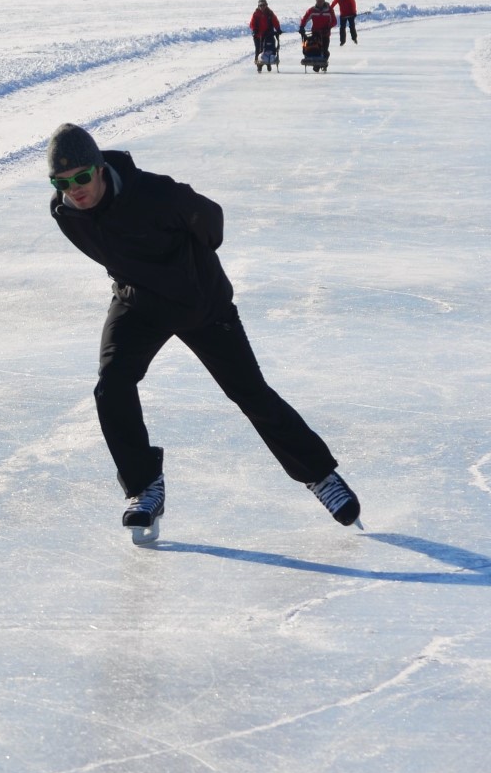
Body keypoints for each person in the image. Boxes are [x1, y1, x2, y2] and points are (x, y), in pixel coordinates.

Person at [46, 124, 360, 545]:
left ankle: (320, 476)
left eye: (82, 177)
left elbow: (212, 223)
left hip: (201, 304)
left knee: (251, 393)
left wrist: (188, 273)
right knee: (112, 385)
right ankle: (144, 487)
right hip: (137, 303)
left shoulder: (158, 194)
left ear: (100, 169)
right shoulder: (65, 212)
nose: (75, 189)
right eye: (62, 183)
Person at [299, 0, 336, 64]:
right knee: (314, 48)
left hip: (325, 34)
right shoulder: (312, 10)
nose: (319, 2)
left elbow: (334, 21)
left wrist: (328, 27)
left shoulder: (329, 10)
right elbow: (305, 18)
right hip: (315, 33)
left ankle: (323, 62)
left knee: (324, 50)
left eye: (321, 1)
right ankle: (315, 63)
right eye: (318, 1)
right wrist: (301, 26)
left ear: (324, 1)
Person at [248, 0, 281, 67]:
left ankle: (268, 63)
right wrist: (254, 30)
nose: (262, 7)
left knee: (269, 48)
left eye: (264, 5)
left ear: (266, 5)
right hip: (258, 35)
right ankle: (258, 64)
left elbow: (275, 21)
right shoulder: (256, 14)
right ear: (258, 6)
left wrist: (278, 29)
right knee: (258, 49)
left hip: (268, 34)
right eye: (261, 5)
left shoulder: (270, 13)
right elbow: (252, 23)